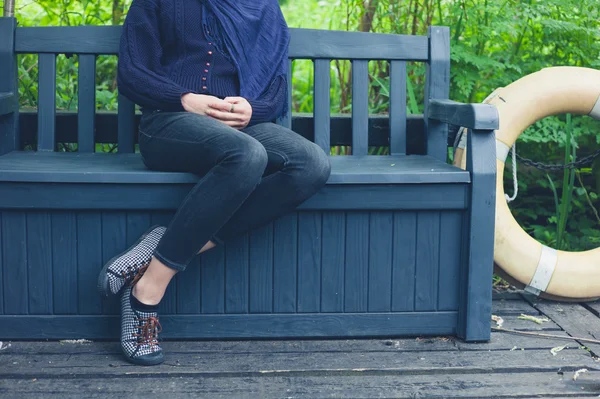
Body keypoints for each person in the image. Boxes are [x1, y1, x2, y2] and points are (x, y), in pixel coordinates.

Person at [97, 0, 331, 366]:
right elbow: (133, 72)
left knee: (311, 164)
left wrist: (254, 109)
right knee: (248, 155)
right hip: (170, 122)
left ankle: (162, 242)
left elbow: (276, 87)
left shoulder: (261, 7)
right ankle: (148, 292)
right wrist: (186, 100)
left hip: (243, 126)